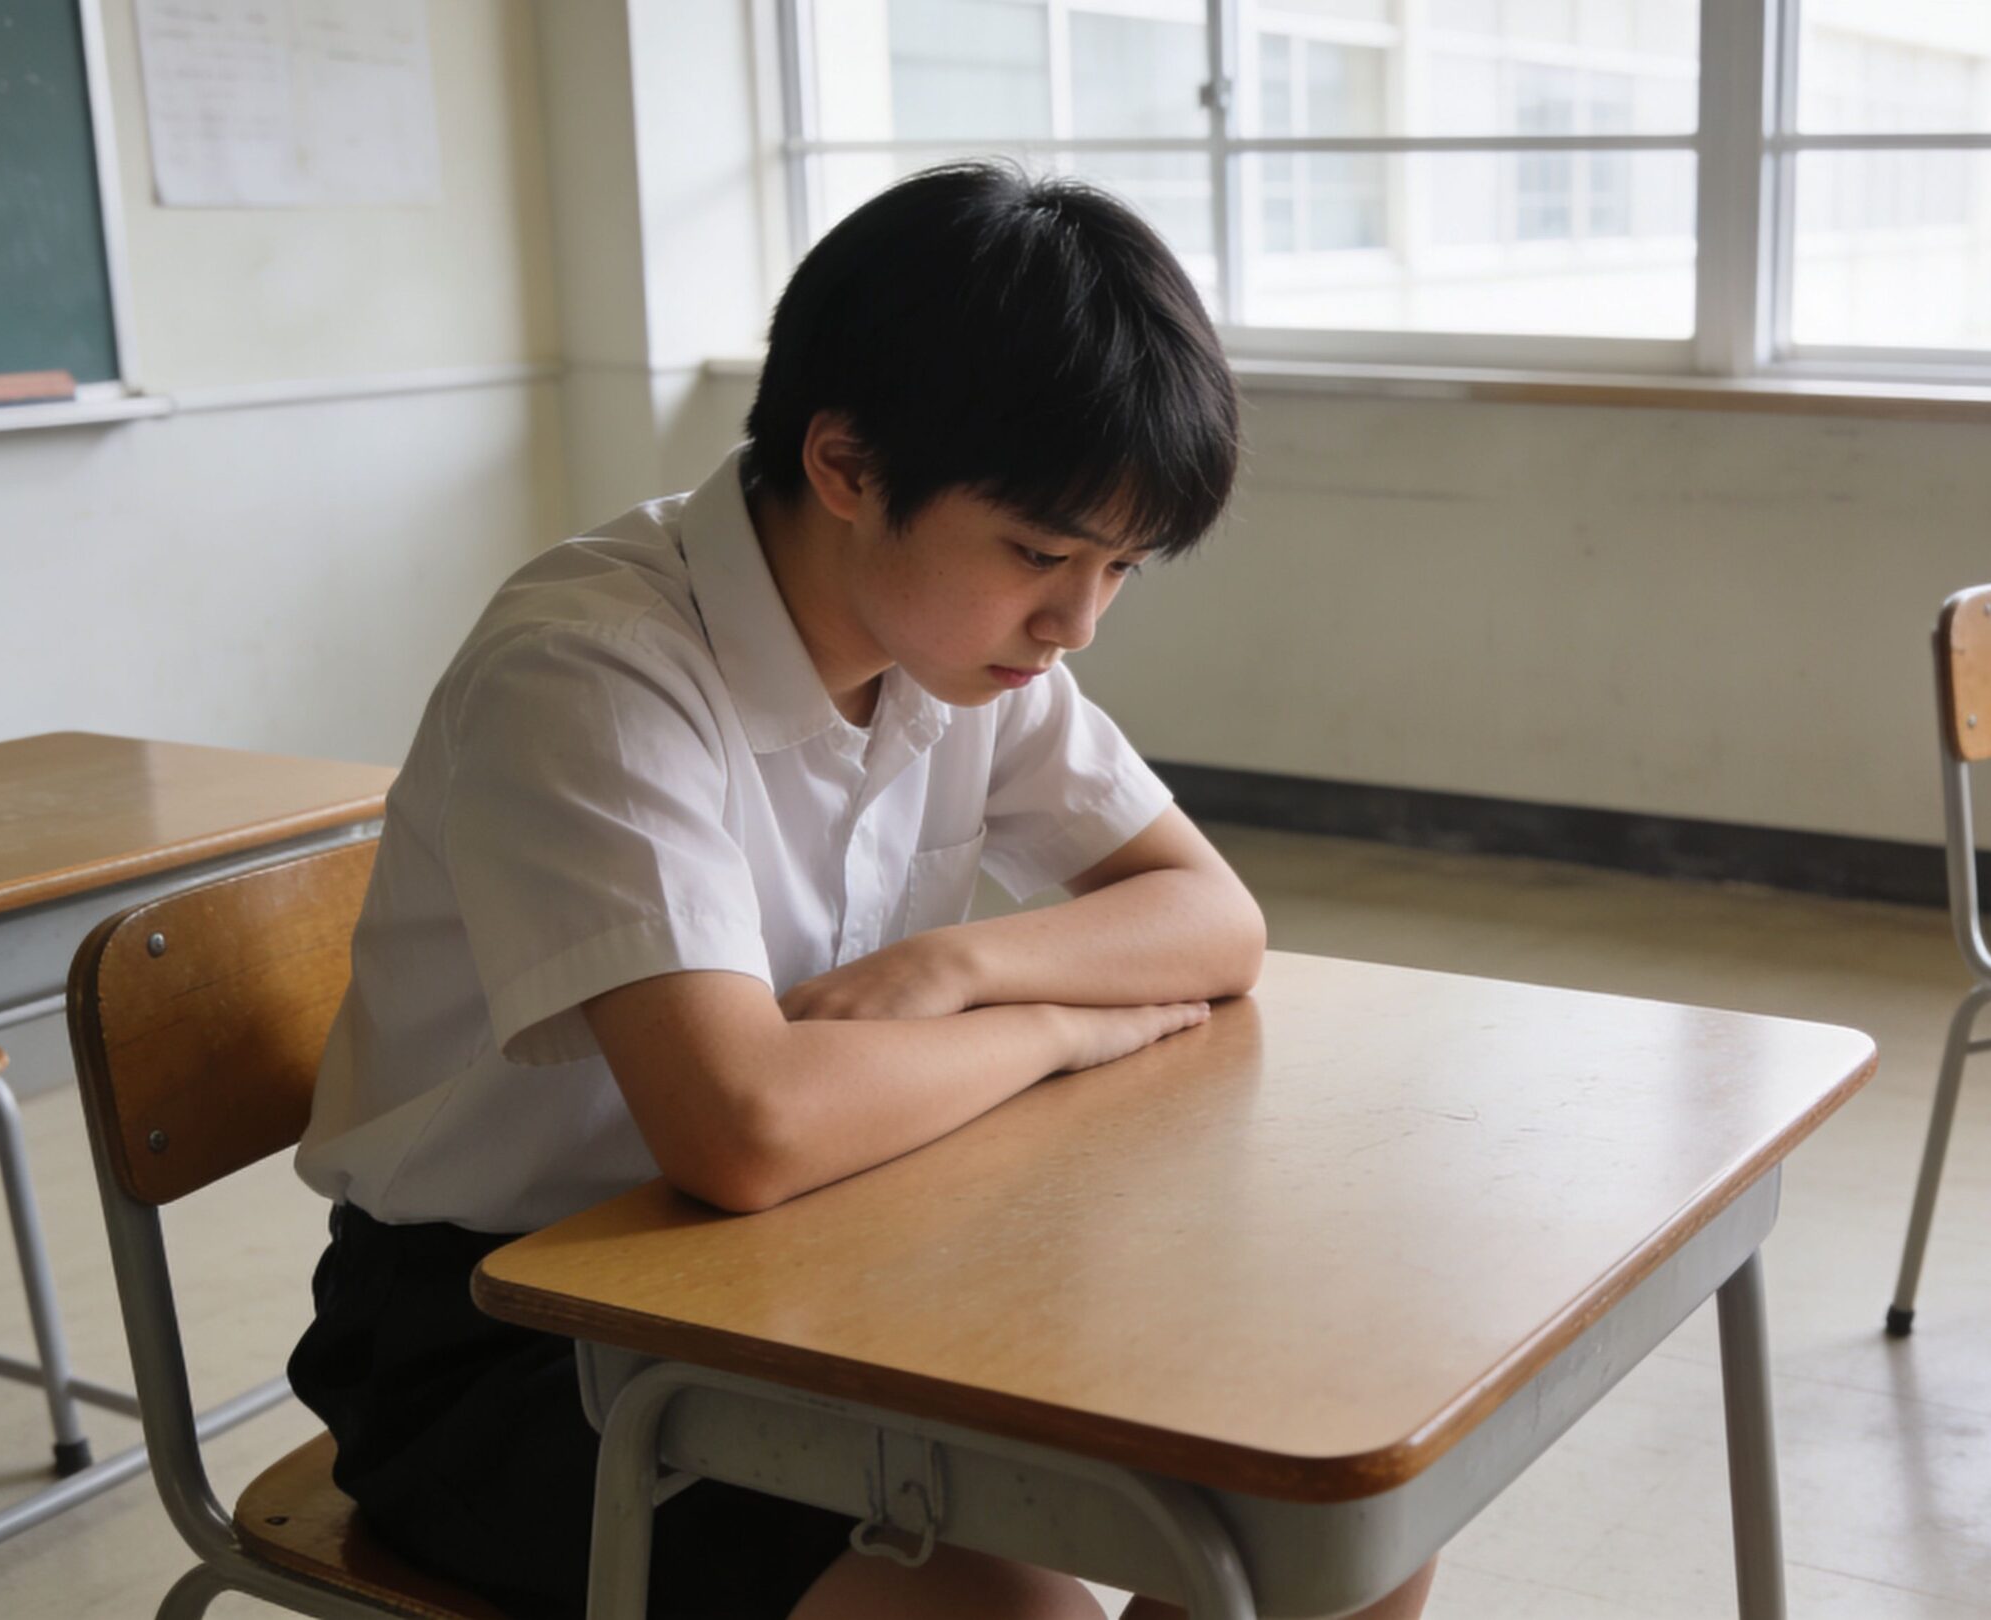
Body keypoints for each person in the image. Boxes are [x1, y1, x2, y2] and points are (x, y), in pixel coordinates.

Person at [288, 162, 1437, 1620]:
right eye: (1040, 552)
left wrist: (960, 972)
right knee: (1019, 1616)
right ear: (845, 466)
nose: (1076, 621)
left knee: (1340, 1530)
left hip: (820, 1261)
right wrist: (1055, 1027)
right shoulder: (593, 669)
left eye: (1120, 567)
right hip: (502, 1337)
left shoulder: (964, 652)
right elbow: (746, 1131)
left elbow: (1215, 923)